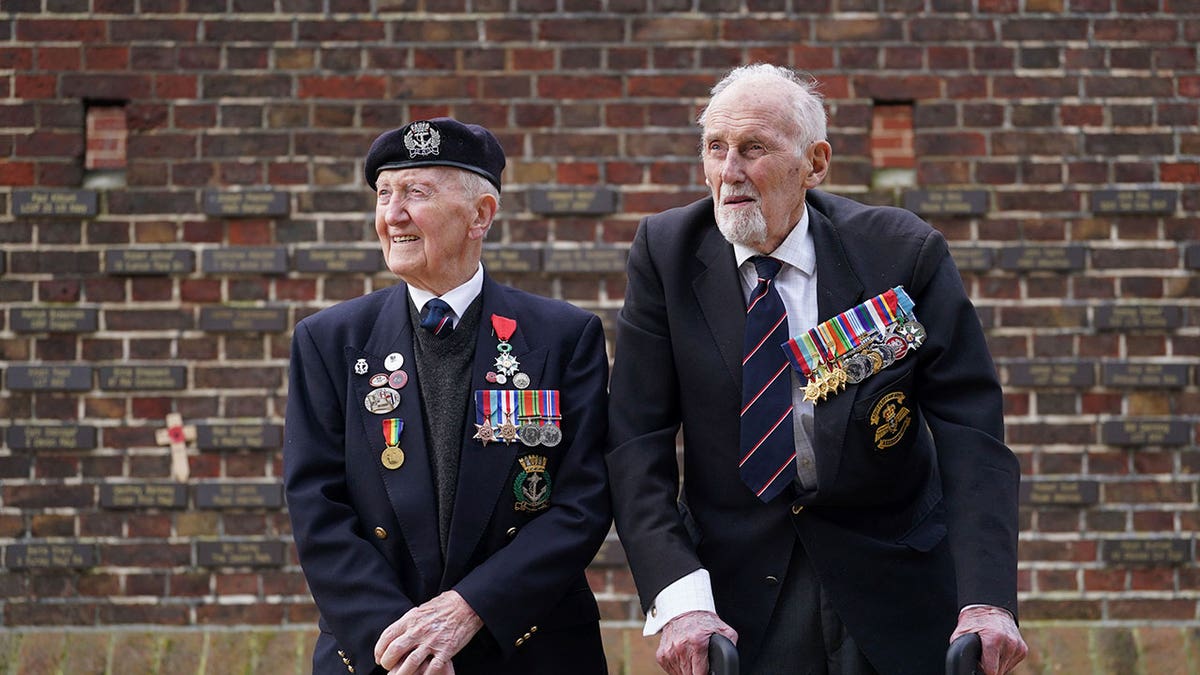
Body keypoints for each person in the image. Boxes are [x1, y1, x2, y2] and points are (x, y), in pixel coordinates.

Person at [606, 64, 1028, 675]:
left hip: (896, 578)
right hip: (737, 601)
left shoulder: (900, 252)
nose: (729, 174)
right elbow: (635, 444)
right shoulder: (666, 252)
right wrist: (680, 599)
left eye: (753, 149)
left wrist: (986, 600)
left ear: (816, 163)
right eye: (715, 148)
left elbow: (972, 432)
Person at [284, 117, 611, 675]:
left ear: (480, 216)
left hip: (528, 646)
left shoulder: (562, 336)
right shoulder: (329, 340)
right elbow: (317, 507)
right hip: (379, 652)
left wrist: (471, 607)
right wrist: (400, 646)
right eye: (384, 194)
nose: (393, 214)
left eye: (416, 192)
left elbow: (584, 502)